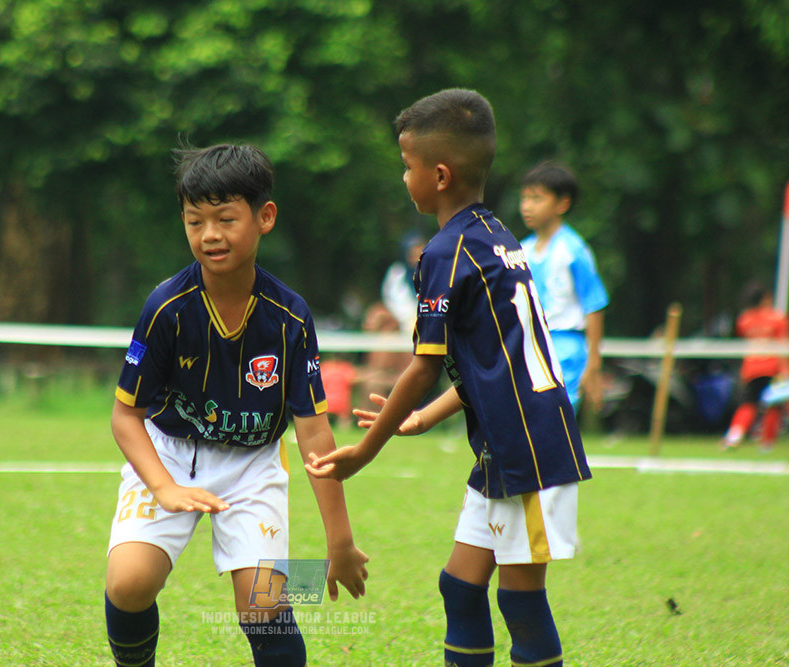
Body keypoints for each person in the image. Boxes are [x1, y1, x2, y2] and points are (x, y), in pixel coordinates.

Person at [306, 88, 591, 667]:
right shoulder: (498, 237)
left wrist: (367, 449)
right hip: (506, 445)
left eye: (406, 166)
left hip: (527, 449)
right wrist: (420, 418)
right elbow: (489, 366)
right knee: (460, 587)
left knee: (521, 602)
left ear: (438, 174)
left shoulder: (446, 252)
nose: (402, 177)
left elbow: (423, 365)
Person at [104, 143, 369, 667]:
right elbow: (124, 417)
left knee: (261, 605)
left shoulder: (289, 317)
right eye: (194, 220)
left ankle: (283, 588)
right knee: (129, 583)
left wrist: (339, 543)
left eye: (225, 218)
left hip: (254, 463)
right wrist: (165, 487)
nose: (209, 235)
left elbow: (315, 433)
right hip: (170, 454)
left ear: (264, 217)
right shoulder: (166, 308)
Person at [519, 161, 609, 413]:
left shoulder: (573, 250)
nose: (527, 206)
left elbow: (594, 304)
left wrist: (593, 361)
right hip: (529, 346)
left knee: (554, 419)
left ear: (562, 204)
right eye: (524, 198)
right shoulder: (520, 250)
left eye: (536, 198)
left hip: (566, 348)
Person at [722, 283, 788, 452]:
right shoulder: (777, 318)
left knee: (748, 403)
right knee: (774, 404)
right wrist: (785, 370)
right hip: (773, 366)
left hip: (751, 367)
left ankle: (734, 436)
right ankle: (766, 443)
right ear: (765, 298)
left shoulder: (744, 319)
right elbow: (782, 345)